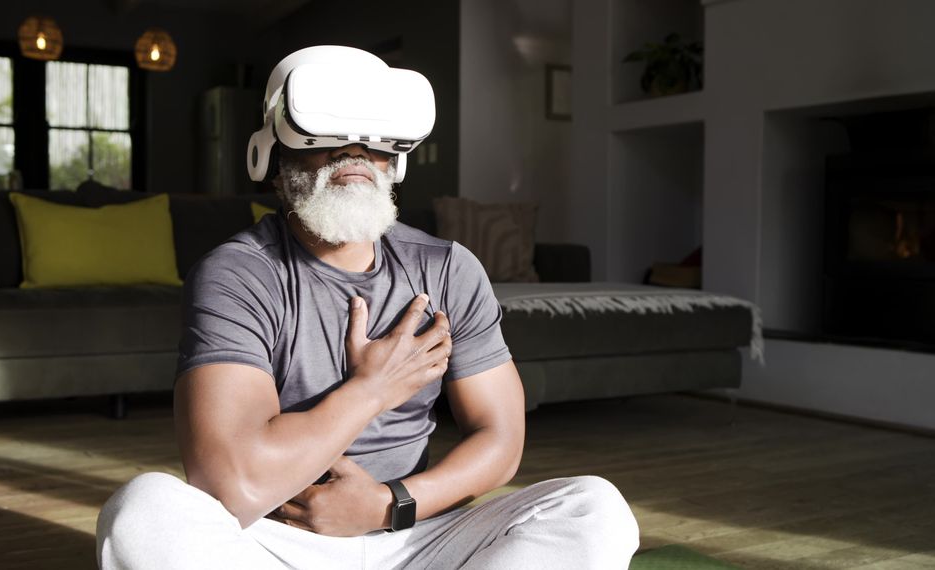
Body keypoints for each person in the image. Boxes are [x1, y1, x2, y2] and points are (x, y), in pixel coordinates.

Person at [96, 45, 639, 570]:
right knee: (142, 513)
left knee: (595, 509)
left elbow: (501, 438)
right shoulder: (239, 273)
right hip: (275, 542)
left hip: (417, 534)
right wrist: (371, 390)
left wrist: (388, 503)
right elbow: (233, 487)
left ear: (394, 158)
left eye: (372, 138)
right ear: (271, 154)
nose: (353, 151)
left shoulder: (447, 268)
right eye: (326, 133)